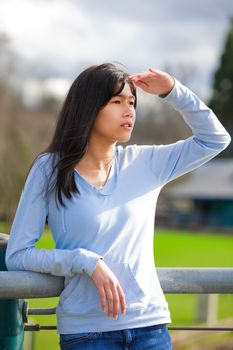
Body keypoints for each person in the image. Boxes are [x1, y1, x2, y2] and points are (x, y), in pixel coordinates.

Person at [6, 63, 230, 350]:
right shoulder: (49, 169)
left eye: (132, 102)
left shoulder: (146, 163)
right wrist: (83, 261)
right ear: (88, 108)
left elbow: (215, 139)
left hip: (151, 329)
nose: (129, 111)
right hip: (86, 334)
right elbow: (19, 255)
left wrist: (174, 91)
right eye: (117, 102)